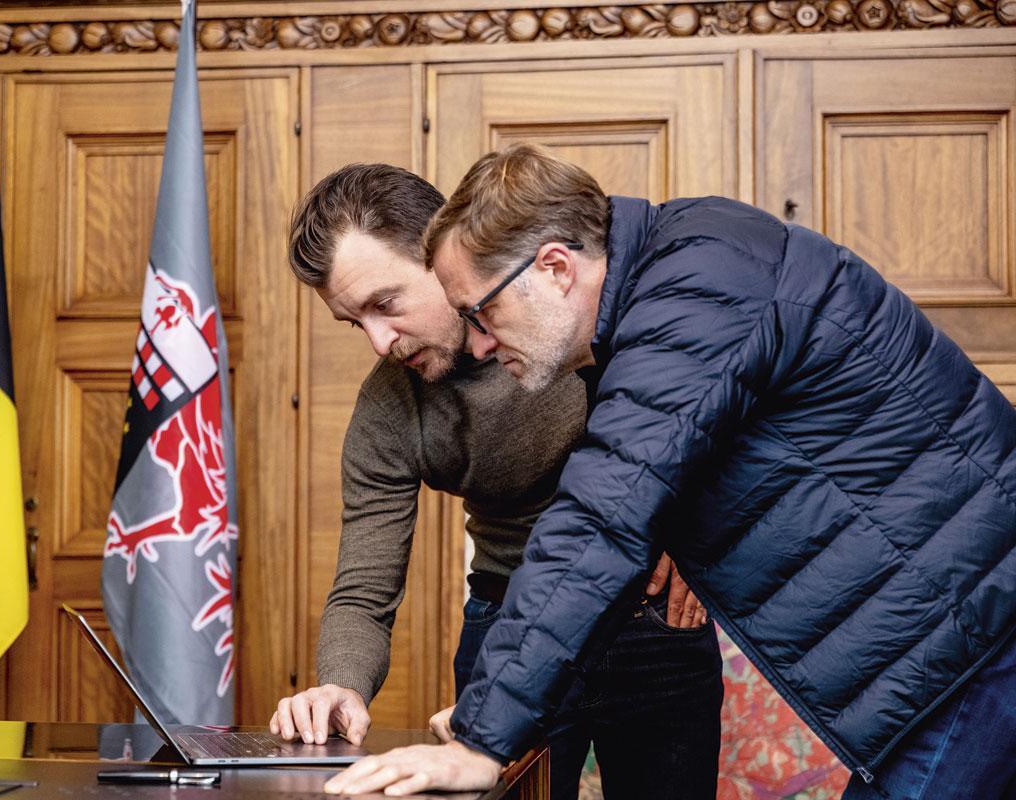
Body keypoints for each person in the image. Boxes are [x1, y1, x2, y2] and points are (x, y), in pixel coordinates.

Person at [324, 145, 1016, 799]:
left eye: (484, 313)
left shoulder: (691, 291)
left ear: (555, 268)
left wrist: (482, 740)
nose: (477, 340)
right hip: (964, 631)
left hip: (977, 636)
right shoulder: (676, 265)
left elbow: (604, 514)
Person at [272, 163, 725, 800]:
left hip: (647, 616)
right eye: (355, 322)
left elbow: (713, 407)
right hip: (508, 623)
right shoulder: (388, 410)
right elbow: (363, 590)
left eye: (385, 304)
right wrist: (341, 683)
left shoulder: (575, 317)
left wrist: (693, 528)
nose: (378, 341)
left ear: (443, 254)